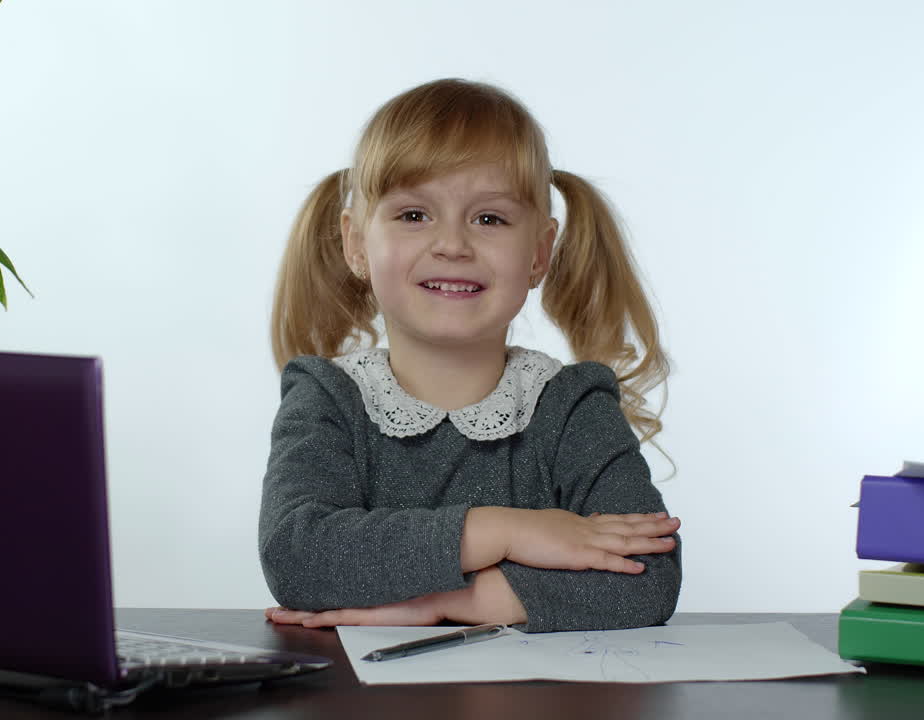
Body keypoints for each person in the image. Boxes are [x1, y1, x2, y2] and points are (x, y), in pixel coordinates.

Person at [259, 78, 681, 633]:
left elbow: (648, 578)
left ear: (539, 253)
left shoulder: (572, 405)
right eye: (414, 215)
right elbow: (298, 556)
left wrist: (446, 603)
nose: (453, 245)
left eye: (489, 219)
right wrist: (506, 531)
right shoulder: (327, 398)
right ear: (356, 243)